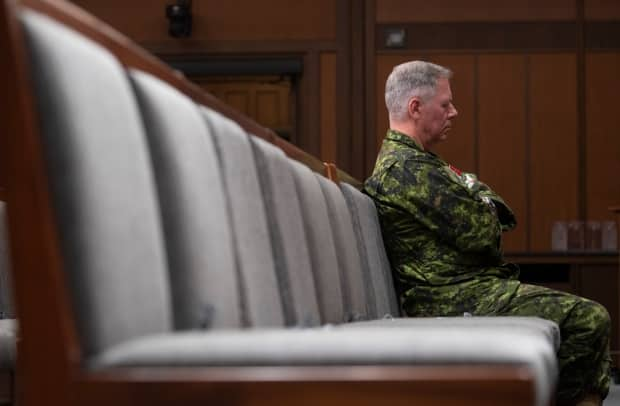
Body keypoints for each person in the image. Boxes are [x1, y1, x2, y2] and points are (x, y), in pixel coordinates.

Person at [364, 60, 611, 406]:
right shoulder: (405, 169)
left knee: (588, 317)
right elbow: (483, 232)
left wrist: (479, 198)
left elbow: (497, 214)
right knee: (589, 318)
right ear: (415, 108)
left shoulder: (422, 163)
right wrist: (477, 195)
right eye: (445, 104)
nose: (455, 112)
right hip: (450, 298)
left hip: (467, 288)